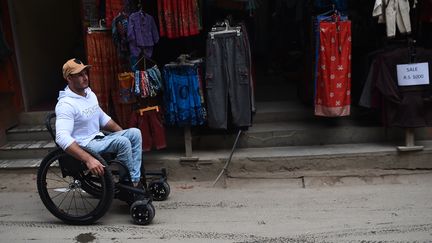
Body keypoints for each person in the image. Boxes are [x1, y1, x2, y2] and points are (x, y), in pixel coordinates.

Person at [55, 58, 143, 187]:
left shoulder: (89, 94)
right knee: (123, 142)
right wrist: (88, 159)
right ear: (69, 78)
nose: (85, 77)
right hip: (84, 144)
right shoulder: (65, 104)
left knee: (135, 133)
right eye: (80, 75)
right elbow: (61, 137)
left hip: (99, 139)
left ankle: (134, 180)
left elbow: (103, 118)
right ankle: (128, 185)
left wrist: (123, 133)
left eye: (85, 73)